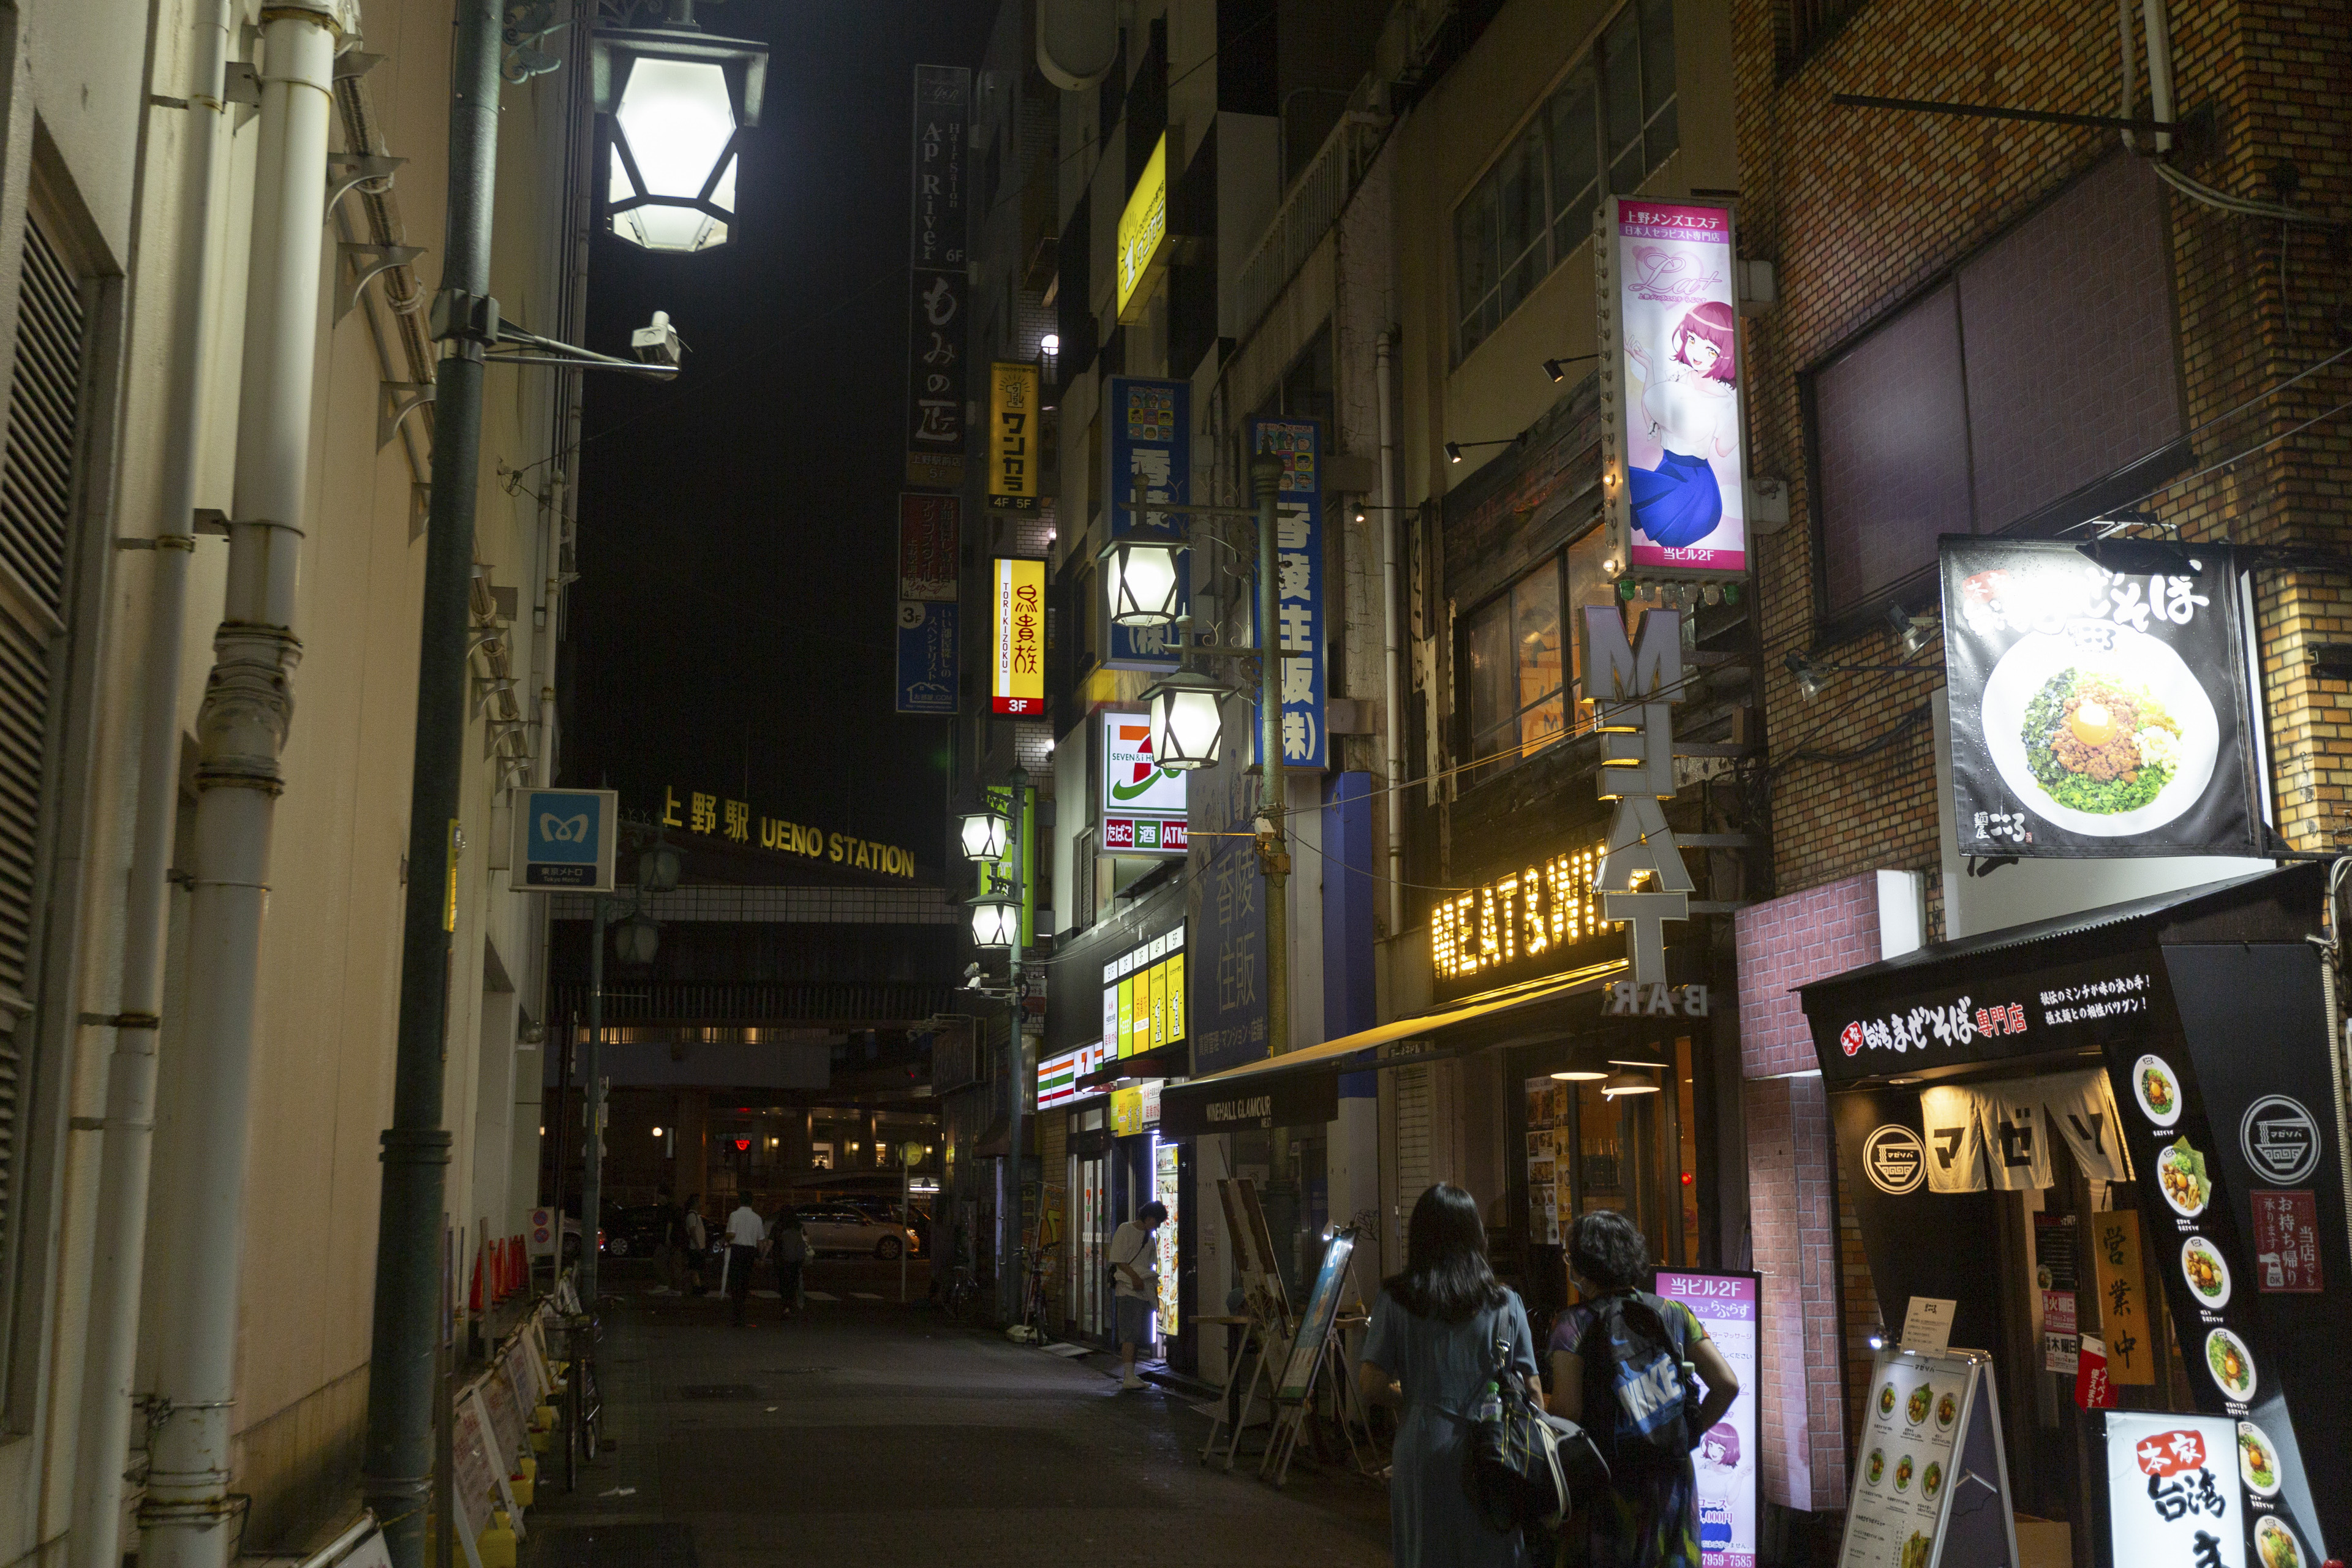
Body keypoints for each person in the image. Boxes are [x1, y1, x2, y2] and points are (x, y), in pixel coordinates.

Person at [1357, 1183, 1540, 1568]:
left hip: (1422, 1448)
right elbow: (1533, 1391)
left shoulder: (1396, 1297)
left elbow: (1370, 1385)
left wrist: (1415, 1400)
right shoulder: (1506, 1303)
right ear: (1477, 1236)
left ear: (1419, 1237)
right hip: (1496, 1453)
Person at [1547, 1210, 1740, 1568]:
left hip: (1608, 1483)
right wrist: (1688, 1433)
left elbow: (1568, 1411)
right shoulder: (1673, 1313)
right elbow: (1727, 1385)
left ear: (1584, 1265)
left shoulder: (1571, 1326)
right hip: (1670, 1480)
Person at [1622, 300, 1740, 550]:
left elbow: (1723, 449)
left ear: (1726, 355)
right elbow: (1651, 420)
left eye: (1712, 350)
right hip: (1667, 467)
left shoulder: (1726, 401)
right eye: (1693, 340)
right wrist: (1649, 367)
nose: (1697, 354)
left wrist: (1737, 413)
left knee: (1649, 516)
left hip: (1694, 483)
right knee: (1621, 486)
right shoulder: (1679, 378)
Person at [1107, 1200, 1167, 1391]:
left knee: (1134, 1333)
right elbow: (1118, 1259)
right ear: (1149, 1218)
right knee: (1129, 1334)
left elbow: (1150, 1265)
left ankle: (1131, 1375)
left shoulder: (1150, 1238)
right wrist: (1135, 1278)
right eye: (1157, 1223)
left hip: (1141, 1290)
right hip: (1127, 1289)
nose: (1156, 1227)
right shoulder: (1125, 1229)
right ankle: (1128, 1376)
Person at [724, 1196, 766, 1326]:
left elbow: (731, 1234)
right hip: (750, 1251)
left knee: (735, 1280)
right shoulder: (757, 1218)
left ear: (740, 1202)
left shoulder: (734, 1215)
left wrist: (725, 1238)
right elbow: (760, 1241)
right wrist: (761, 1257)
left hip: (737, 1250)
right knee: (745, 1280)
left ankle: (737, 1310)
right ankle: (741, 1307)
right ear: (752, 1202)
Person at [771, 1207, 809, 1318]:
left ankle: (785, 1306)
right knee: (793, 1282)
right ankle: (790, 1305)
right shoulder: (799, 1226)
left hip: (781, 1258)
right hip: (796, 1258)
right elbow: (806, 1240)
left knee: (783, 1282)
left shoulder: (778, 1226)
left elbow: (770, 1242)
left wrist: (763, 1257)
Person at [649, 1186, 681, 1295]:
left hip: (666, 1240)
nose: (658, 1197)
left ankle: (664, 1284)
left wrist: (667, 1238)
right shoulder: (666, 1207)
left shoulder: (669, 1208)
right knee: (669, 1263)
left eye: (660, 1195)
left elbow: (669, 1223)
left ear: (665, 1196)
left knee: (659, 1260)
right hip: (667, 1239)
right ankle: (672, 1287)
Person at [683, 1196, 707, 1294]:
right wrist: (697, 1246)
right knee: (695, 1268)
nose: (701, 1204)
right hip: (695, 1247)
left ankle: (697, 1286)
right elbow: (692, 1232)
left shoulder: (696, 1215)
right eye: (699, 1201)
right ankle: (696, 1287)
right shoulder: (692, 1216)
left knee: (696, 1268)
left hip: (699, 1246)